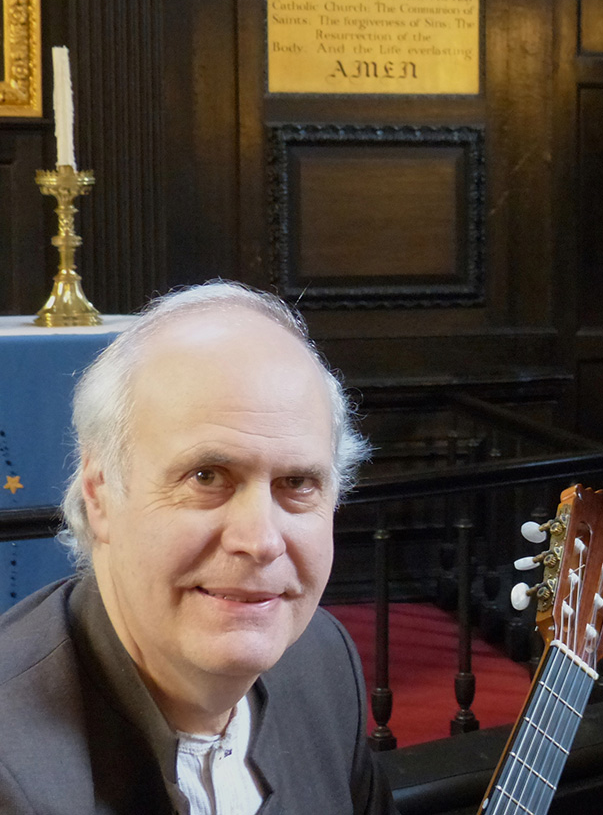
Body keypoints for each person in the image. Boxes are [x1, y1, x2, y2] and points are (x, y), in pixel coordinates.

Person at [0, 283, 397, 814]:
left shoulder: (322, 660)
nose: (259, 541)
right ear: (99, 495)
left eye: (298, 483)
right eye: (207, 476)